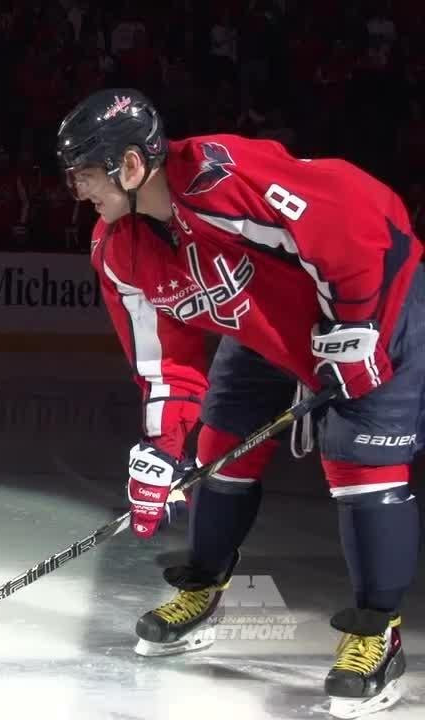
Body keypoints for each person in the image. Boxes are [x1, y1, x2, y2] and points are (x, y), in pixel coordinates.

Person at [56, 88, 422, 719]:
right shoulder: (120, 250)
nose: (80, 191)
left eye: (86, 176)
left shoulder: (224, 177)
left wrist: (361, 323)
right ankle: (202, 590)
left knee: (360, 468)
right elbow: (166, 361)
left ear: (133, 165)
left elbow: (362, 225)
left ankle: (375, 634)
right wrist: (160, 448)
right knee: (218, 446)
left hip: (372, 304)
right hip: (267, 332)